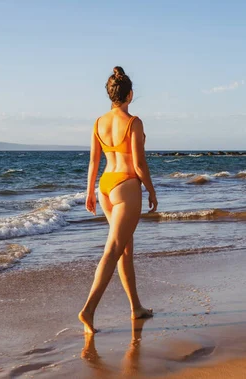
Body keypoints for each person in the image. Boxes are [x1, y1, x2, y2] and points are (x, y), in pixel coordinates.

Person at [79, 66, 157, 334]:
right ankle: (88, 310)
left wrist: (89, 192)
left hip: (105, 186)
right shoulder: (134, 122)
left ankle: (136, 307)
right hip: (126, 185)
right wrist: (151, 189)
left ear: (110, 94)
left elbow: (93, 161)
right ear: (130, 95)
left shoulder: (98, 122)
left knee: (125, 248)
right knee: (113, 250)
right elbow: (138, 163)